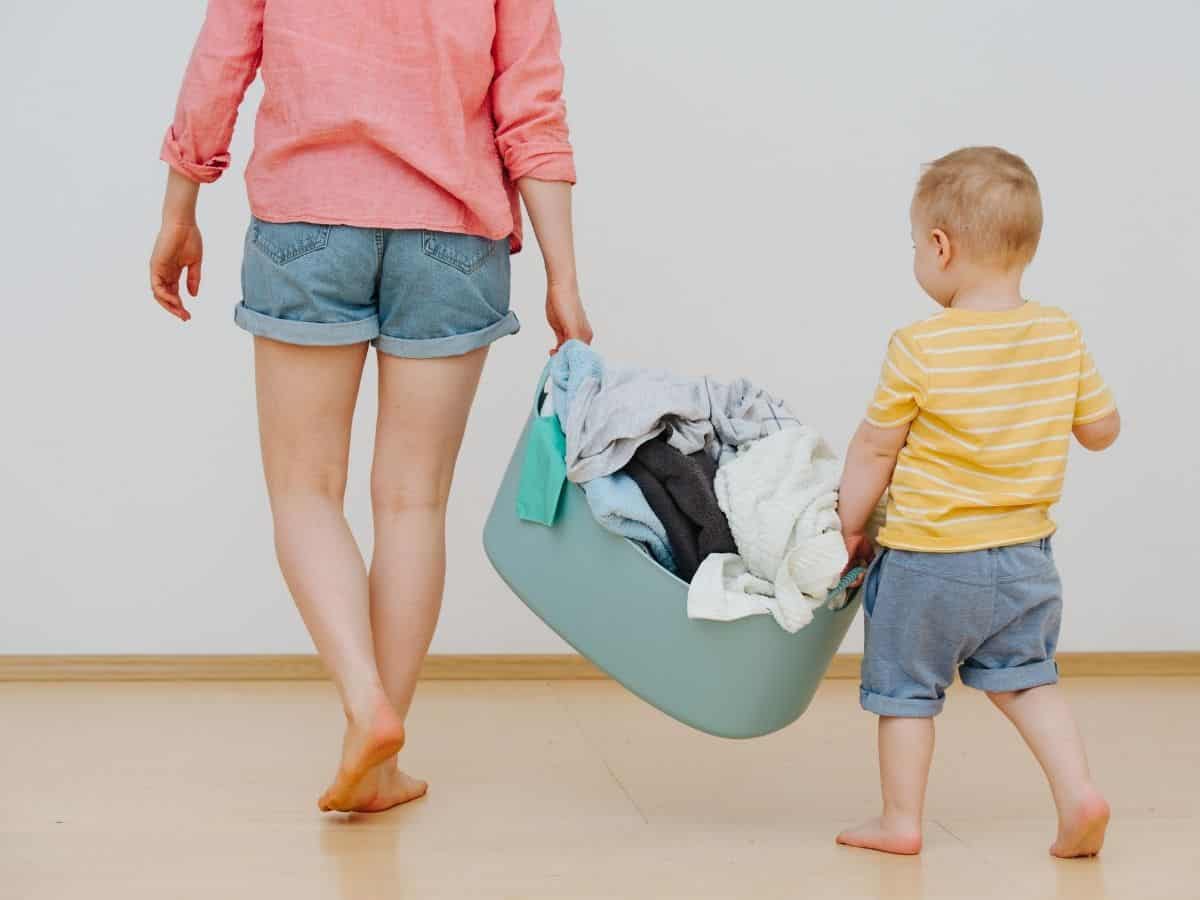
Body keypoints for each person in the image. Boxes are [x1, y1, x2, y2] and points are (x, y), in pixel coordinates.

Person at [149, 0, 592, 813]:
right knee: (413, 502)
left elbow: (220, 64)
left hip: (307, 226)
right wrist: (563, 273)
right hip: (455, 241)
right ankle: (382, 753)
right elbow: (531, 105)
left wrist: (180, 210)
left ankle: (364, 704)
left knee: (305, 489)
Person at [835, 147, 1118, 857]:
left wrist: (846, 525)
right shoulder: (1060, 334)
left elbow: (876, 449)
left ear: (941, 247)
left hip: (930, 563)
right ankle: (1078, 793)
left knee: (906, 693)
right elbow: (1101, 432)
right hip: (1025, 561)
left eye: (914, 244)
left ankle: (901, 821)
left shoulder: (920, 346)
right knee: (1028, 682)